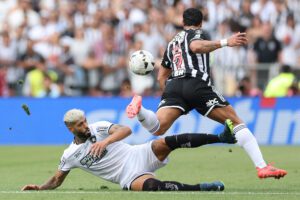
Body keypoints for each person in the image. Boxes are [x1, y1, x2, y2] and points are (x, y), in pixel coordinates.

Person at [126, 8, 287, 179]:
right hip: (196, 84)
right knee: (235, 121)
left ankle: (140, 110)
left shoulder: (172, 42)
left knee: (158, 127)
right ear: (200, 23)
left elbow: (161, 76)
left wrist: (175, 97)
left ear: (182, 23)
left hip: (174, 86)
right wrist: (226, 42)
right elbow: (195, 46)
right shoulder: (198, 33)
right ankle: (262, 166)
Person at [21, 109, 237, 192]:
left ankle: (221, 137)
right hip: (127, 175)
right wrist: (40, 188)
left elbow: (125, 130)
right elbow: (57, 179)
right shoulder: (69, 155)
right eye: (80, 125)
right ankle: (203, 188)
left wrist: (105, 142)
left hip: (137, 153)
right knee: (153, 187)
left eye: (85, 121)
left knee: (167, 141)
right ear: (71, 129)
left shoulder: (99, 128)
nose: (85, 126)